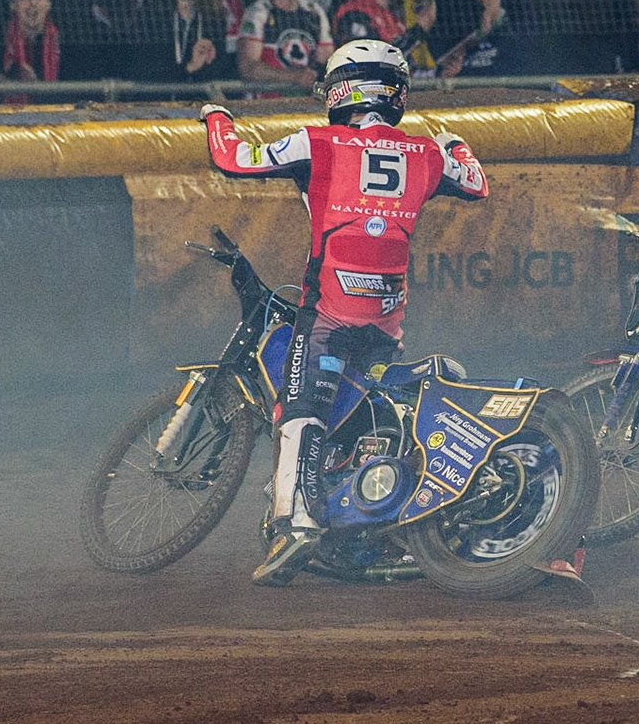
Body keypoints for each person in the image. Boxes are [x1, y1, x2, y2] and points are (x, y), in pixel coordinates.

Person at [200, 41, 487, 583]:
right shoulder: (425, 153)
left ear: (340, 90)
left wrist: (216, 115)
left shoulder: (317, 142)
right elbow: (477, 183)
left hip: (329, 312)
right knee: (359, 417)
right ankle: (371, 525)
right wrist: (457, 142)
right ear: (396, 93)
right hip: (385, 318)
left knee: (300, 409)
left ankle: (298, 527)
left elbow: (231, 159)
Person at [236, 0, 332, 86]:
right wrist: (293, 77)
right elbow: (247, 68)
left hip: (306, 102)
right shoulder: (258, 12)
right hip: (265, 103)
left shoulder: (315, 13)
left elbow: (327, 62)